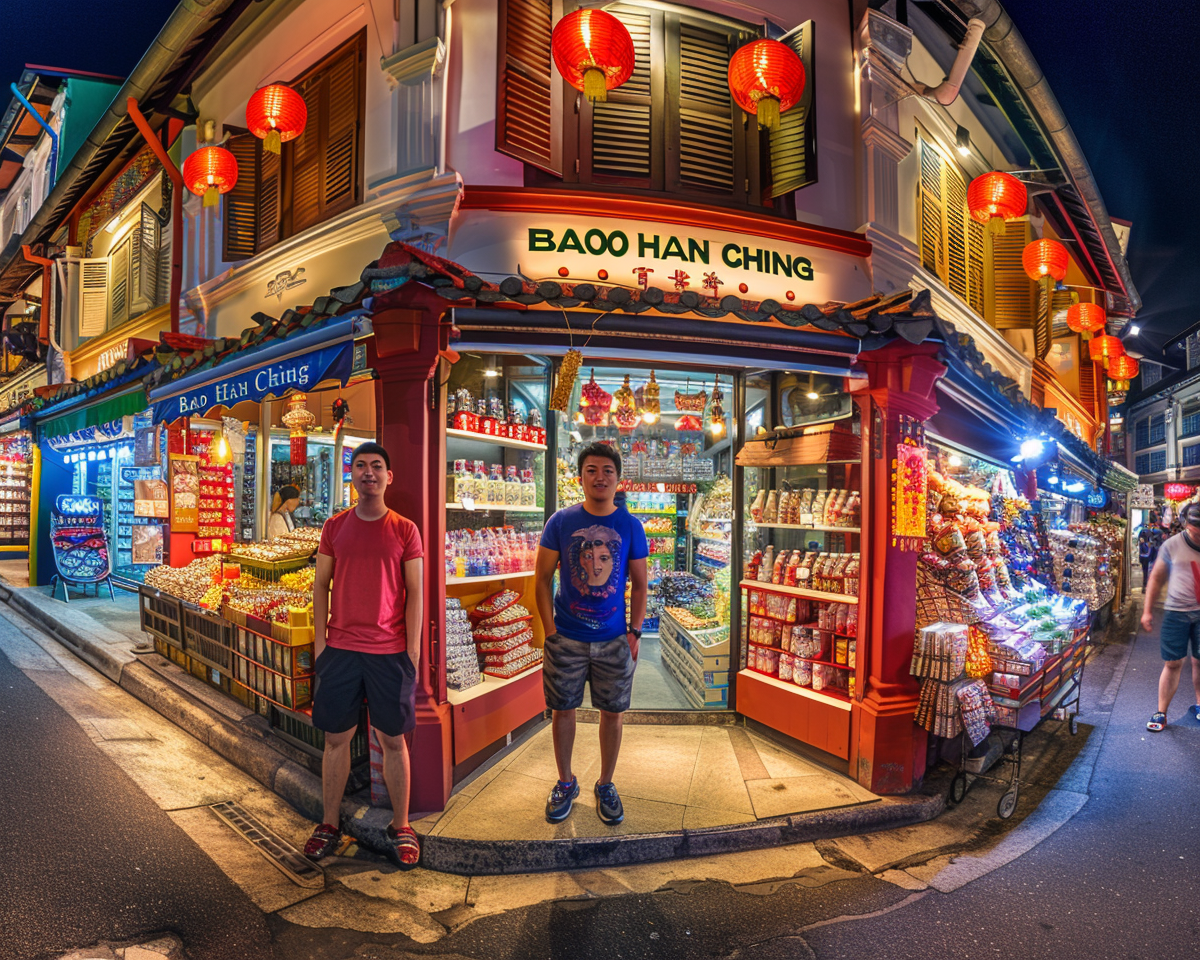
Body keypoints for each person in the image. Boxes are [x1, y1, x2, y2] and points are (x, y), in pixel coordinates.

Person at [304, 442, 425, 868]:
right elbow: (320, 585)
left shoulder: (405, 529)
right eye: (361, 466)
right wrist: (321, 644)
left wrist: (410, 651)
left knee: (393, 740)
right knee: (335, 739)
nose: (368, 472)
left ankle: (402, 824)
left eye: (377, 466)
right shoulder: (334, 527)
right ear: (351, 474)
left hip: (390, 653)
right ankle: (330, 822)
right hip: (340, 650)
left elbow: (415, 594)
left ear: (389, 477)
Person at [535, 441, 648, 825]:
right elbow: (542, 578)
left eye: (607, 471)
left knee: (613, 714)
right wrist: (550, 631)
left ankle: (606, 783)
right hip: (565, 637)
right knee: (562, 710)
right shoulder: (561, 521)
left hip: (615, 639)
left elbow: (640, 583)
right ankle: (565, 782)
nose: (600, 477)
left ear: (618, 479)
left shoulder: (631, 525)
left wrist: (634, 632)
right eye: (592, 470)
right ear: (580, 477)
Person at [1140, 501, 1200, 732]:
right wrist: (1147, 610)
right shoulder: (1172, 545)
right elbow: (1156, 578)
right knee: (1173, 663)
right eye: (1195, 530)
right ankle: (1161, 712)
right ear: (1187, 525)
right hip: (1176, 612)